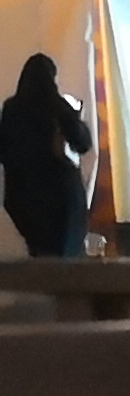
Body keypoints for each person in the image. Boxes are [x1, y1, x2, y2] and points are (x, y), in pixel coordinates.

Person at [0, 52, 91, 257]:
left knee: (40, 252)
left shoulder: (11, 109)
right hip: (58, 198)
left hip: (21, 197)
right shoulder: (56, 105)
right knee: (63, 257)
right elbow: (83, 143)